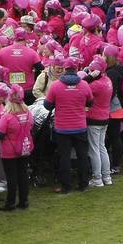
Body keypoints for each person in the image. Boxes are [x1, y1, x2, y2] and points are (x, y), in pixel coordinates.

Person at [44, 60, 94, 191]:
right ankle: (83, 184)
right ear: (76, 69)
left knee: (64, 157)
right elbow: (90, 102)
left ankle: (66, 186)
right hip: (79, 125)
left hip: (62, 128)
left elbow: (47, 105)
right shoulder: (84, 85)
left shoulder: (56, 86)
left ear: (65, 69)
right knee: (82, 155)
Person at [0, 87, 34, 211]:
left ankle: (10, 203)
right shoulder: (28, 113)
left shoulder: (7, 117)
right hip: (25, 147)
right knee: (23, 174)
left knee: (11, 177)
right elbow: (31, 126)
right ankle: (24, 201)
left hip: (9, 150)